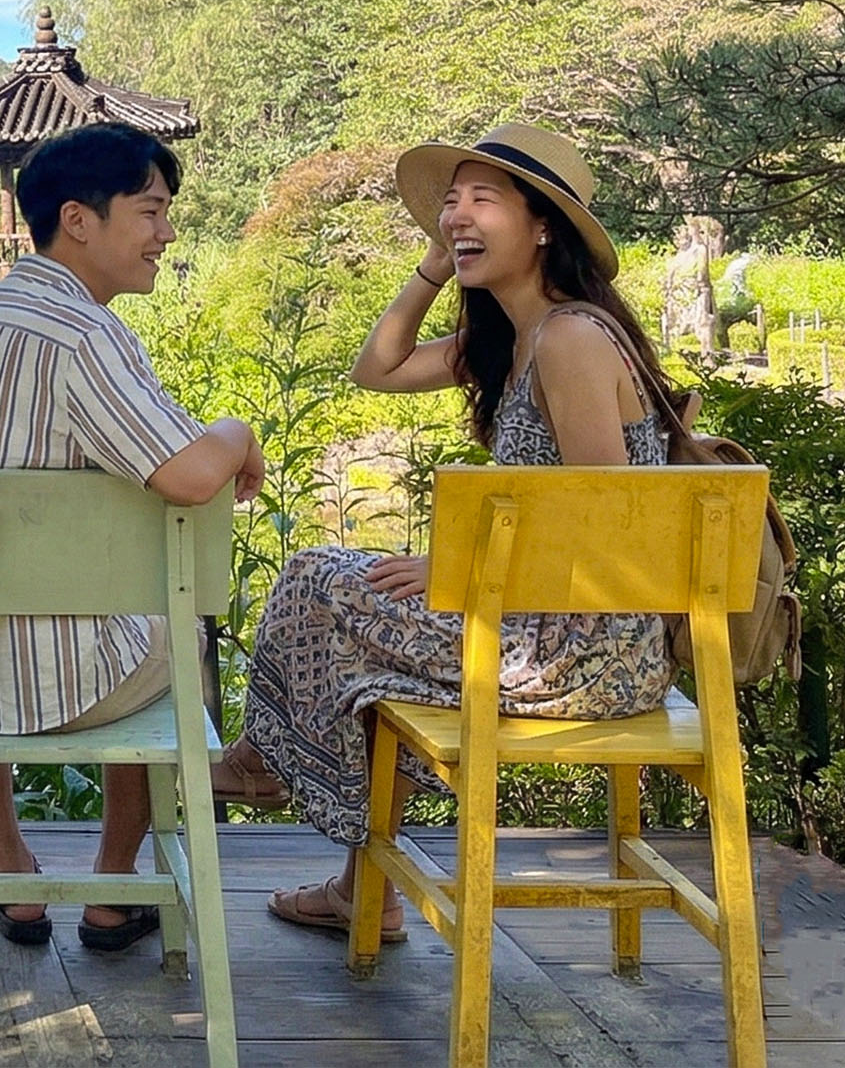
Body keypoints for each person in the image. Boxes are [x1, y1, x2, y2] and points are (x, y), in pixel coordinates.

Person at [218, 123, 680, 941]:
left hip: (586, 651)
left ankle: (265, 771)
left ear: (544, 226)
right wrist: (434, 267)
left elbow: (608, 525)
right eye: (451, 201)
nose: (457, 215)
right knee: (338, 591)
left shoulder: (571, 339)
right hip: (538, 624)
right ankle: (358, 881)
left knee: (322, 582)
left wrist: (453, 568)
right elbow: (378, 368)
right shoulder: (512, 337)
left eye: (483, 200)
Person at [0, 122, 266, 950]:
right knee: (179, 628)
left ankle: (10, 866)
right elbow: (191, 475)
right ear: (79, 219)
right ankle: (116, 885)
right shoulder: (88, 336)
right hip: (61, 683)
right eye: (151, 210)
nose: (167, 232)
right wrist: (238, 431)